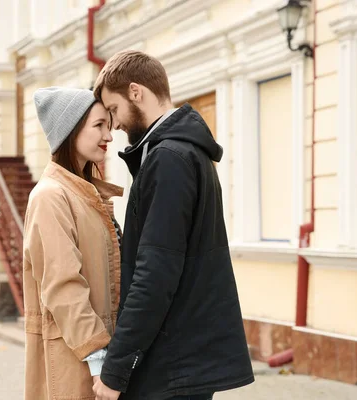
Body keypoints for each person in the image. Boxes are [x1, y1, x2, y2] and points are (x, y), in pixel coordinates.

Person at [91, 50, 254, 400]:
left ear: (136, 92)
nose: (115, 125)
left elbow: (155, 272)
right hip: (181, 358)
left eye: (114, 110)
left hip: (171, 364)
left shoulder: (169, 160)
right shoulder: (183, 152)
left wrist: (116, 369)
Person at [23, 87, 124, 400]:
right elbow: (63, 286)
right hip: (75, 359)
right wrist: (98, 358)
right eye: (98, 126)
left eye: (108, 125)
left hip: (95, 352)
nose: (109, 135)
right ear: (70, 130)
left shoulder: (86, 195)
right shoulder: (50, 197)